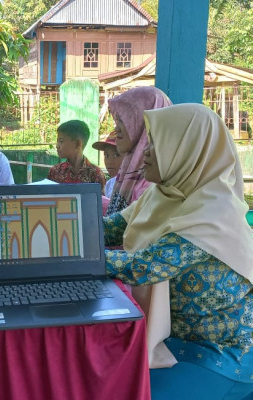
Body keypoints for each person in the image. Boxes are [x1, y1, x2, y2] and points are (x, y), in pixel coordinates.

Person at [104, 103, 253, 400]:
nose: (145, 152)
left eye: (157, 144)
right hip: (173, 341)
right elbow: (109, 229)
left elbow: (143, 267)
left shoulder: (213, 211)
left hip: (222, 354)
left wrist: (61, 255)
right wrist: (60, 229)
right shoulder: (161, 195)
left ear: (187, 149)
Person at [106, 86, 172, 216]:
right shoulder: (128, 172)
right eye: (117, 120)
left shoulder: (152, 185)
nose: (117, 129)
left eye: (125, 119)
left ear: (146, 122)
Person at [47, 120, 106, 193]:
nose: (57, 145)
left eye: (61, 141)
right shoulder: (55, 172)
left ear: (77, 144)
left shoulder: (96, 174)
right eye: (57, 141)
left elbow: (100, 202)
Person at [92, 130, 124, 198]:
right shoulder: (109, 184)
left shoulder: (133, 185)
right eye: (106, 155)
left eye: (116, 155)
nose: (109, 161)